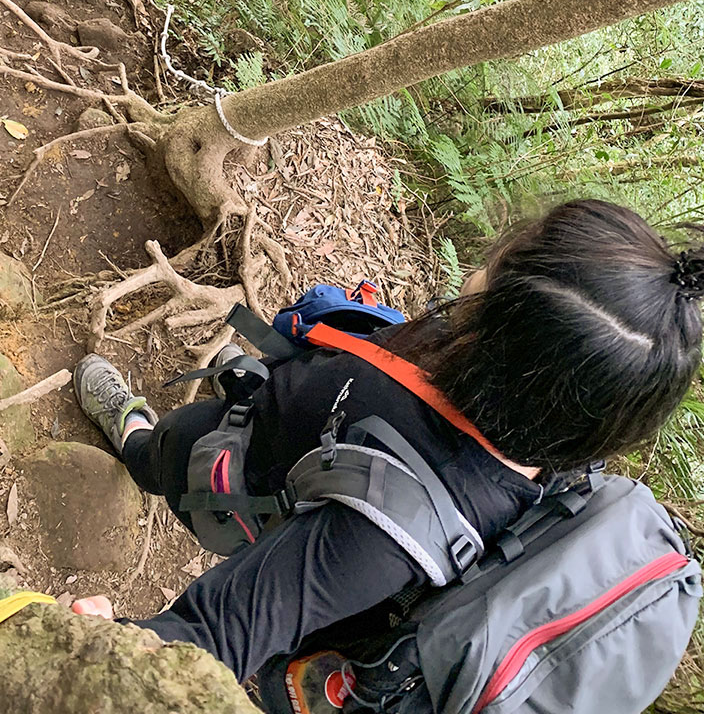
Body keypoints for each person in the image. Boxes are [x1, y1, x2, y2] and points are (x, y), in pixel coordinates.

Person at [72, 199, 704, 684]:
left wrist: (113, 645)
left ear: (506, 344)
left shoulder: (390, 525)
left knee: (165, 454)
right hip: (299, 472)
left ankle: (134, 434)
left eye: (500, 262)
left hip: (241, 479)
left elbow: (221, 632)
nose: (480, 268)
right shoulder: (554, 444)